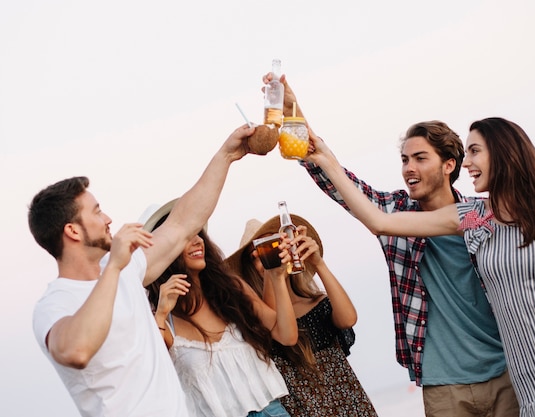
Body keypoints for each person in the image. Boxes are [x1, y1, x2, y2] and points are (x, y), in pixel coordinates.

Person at [304, 116, 535, 416]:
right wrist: (322, 157)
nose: (467, 162)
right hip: (522, 378)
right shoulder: (477, 217)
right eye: (404, 159)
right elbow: (377, 220)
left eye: (475, 152)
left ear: (501, 155)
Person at [263, 73, 519, 416]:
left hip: (505, 371)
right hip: (443, 385)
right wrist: (292, 110)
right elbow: (336, 180)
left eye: (419, 158)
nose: (408, 168)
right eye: (404, 159)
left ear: (449, 165)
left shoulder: (480, 216)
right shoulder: (394, 212)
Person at [29, 124, 255, 416]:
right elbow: (76, 350)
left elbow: (183, 223)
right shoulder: (54, 304)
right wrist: (113, 268)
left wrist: (226, 155)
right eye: (97, 211)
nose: (108, 218)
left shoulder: (126, 271)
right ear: (72, 231)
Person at [143, 200, 298, 417]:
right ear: (163, 250)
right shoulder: (159, 319)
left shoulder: (231, 289)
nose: (197, 241)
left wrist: (277, 277)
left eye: (197, 233)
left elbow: (287, 335)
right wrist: (160, 314)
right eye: (186, 236)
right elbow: (151, 375)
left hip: (271, 411)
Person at [225, 215, 379, 417]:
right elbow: (278, 324)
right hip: (299, 409)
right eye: (259, 254)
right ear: (250, 265)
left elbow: (348, 319)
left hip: (349, 404)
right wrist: (273, 274)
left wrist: (318, 262)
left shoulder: (315, 302)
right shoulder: (256, 318)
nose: (272, 256)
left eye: (276, 246)